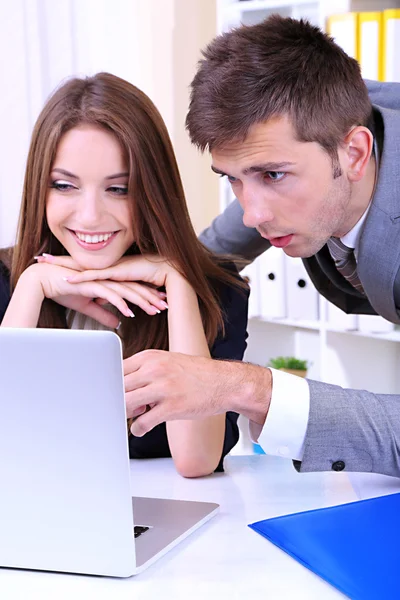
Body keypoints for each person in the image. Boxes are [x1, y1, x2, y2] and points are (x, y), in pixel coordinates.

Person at [121, 15, 400, 479]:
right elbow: (204, 258)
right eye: (233, 179)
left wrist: (247, 387)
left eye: (272, 176)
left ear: (355, 153)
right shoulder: (312, 126)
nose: (253, 214)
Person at [0, 72, 250, 478]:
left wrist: (178, 282)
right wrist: (31, 286)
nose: (90, 216)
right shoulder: (8, 280)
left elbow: (196, 461)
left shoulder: (218, 292)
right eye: (64, 186)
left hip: (163, 521)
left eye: (118, 189)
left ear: (152, 190)